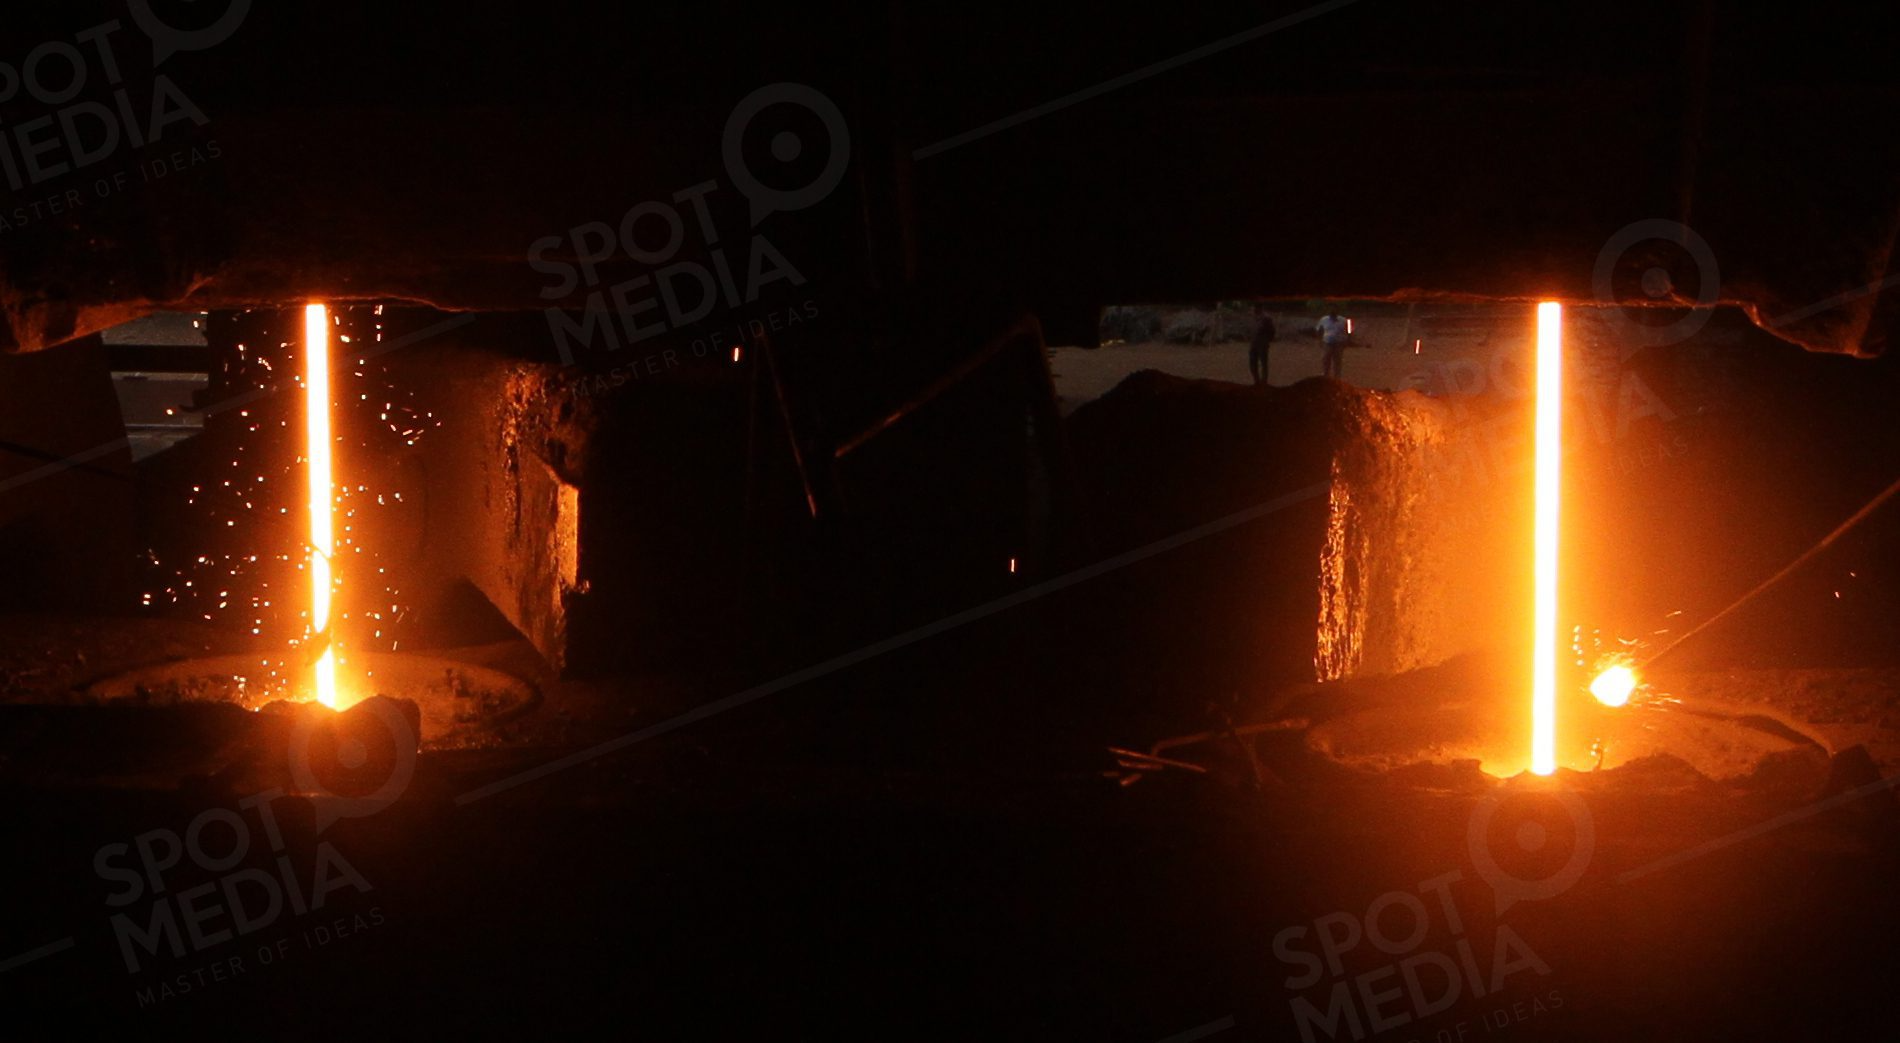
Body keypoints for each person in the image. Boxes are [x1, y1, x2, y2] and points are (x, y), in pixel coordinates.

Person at [1316, 308, 1350, 380]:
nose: (1332, 314)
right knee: (1325, 359)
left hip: (1339, 343)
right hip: (1327, 342)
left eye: (1334, 313)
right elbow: (1319, 330)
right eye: (1331, 313)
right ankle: (1326, 374)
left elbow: (1349, 330)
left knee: (1337, 360)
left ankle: (1337, 377)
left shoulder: (1344, 320)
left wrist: (1348, 340)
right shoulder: (1323, 319)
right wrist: (1319, 340)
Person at [1248, 307, 1276, 384]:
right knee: (1252, 363)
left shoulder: (1266, 318)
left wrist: (1267, 340)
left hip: (1262, 344)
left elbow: (1272, 331)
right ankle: (1256, 381)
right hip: (1253, 343)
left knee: (1263, 363)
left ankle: (1264, 382)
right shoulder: (1253, 317)